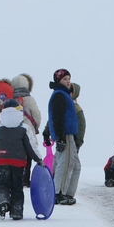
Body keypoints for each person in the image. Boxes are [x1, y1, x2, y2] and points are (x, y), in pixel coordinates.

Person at [0, 100, 43, 220]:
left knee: (2, 184)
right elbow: (31, 146)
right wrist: (38, 159)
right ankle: (16, 211)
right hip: (18, 162)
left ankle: (2, 202)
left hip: (2, 160)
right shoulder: (24, 128)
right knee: (17, 186)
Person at [46, 69, 81, 205]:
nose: (68, 81)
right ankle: (58, 193)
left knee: (76, 165)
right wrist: (60, 137)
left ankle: (68, 193)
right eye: (65, 79)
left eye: (69, 78)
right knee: (66, 164)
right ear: (58, 81)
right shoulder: (59, 95)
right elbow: (57, 117)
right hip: (65, 134)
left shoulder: (64, 95)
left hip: (69, 134)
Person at [12, 73, 42, 187]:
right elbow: (36, 115)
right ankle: (25, 178)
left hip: (14, 132)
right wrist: (36, 126)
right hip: (28, 130)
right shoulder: (30, 99)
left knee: (16, 155)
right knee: (28, 154)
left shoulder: (10, 100)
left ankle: (16, 178)